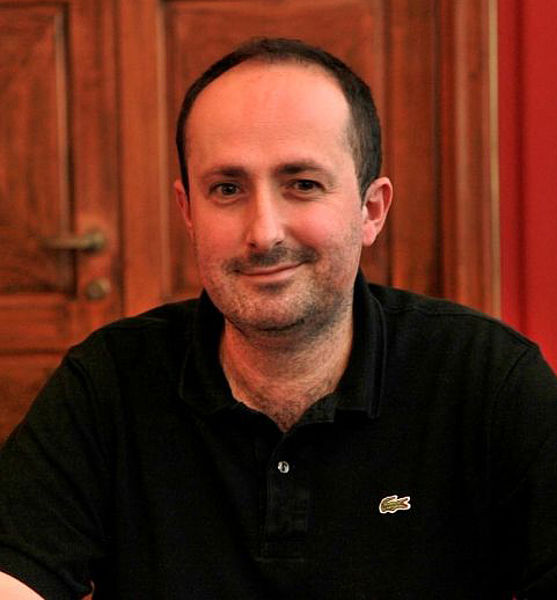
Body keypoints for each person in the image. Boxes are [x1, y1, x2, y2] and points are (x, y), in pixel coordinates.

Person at [1, 37, 556, 600]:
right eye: (227, 189)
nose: (263, 232)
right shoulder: (109, 382)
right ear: (188, 211)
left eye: (302, 185)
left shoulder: (489, 382)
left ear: (371, 210)